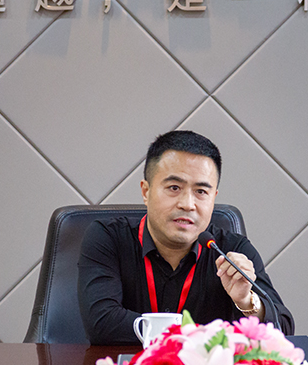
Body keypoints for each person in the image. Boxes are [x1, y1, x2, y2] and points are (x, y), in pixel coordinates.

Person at [77, 130, 294, 344]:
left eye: (201, 192)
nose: (187, 204)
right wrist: (197, 335)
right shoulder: (108, 238)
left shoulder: (233, 251)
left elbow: (284, 330)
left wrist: (247, 302)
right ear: (146, 192)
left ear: (213, 198)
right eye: (174, 187)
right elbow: (101, 322)